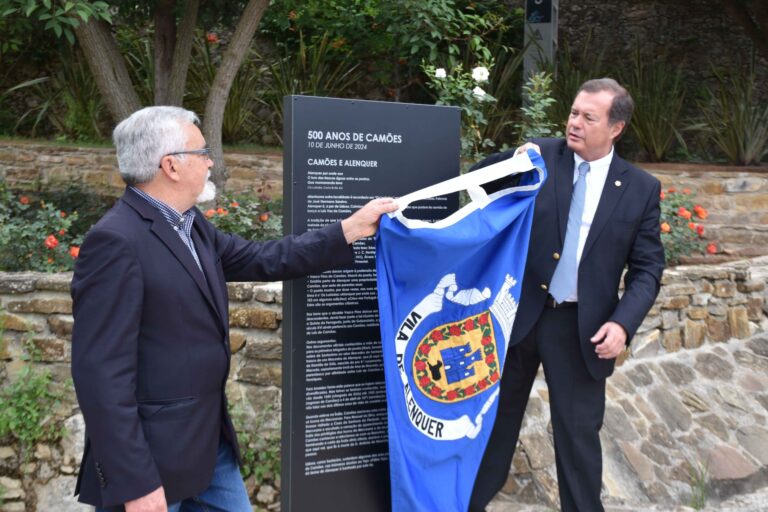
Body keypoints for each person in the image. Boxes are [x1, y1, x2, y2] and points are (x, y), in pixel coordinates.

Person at [70, 106, 396, 511]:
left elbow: (261, 258)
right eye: (202, 152)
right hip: (150, 463)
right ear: (171, 165)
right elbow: (100, 372)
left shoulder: (189, 224)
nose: (211, 161)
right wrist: (134, 482)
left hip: (208, 447)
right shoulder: (116, 241)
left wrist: (349, 229)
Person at [468, 78, 665, 511]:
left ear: (616, 128)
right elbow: (477, 186)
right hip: (517, 319)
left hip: (581, 329)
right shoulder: (538, 156)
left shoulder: (640, 188)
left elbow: (648, 268)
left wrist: (622, 322)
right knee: (489, 434)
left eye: (588, 117)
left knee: (578, 448)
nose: (574, 123)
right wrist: (508, 159)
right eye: (574, 112)